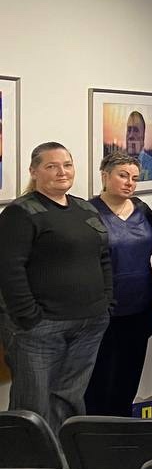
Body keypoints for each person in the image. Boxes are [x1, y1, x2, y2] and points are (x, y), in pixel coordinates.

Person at [0, 142, 111, 432]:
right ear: (34, 171)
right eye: (52, 166)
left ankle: (63, 457)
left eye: (67, 165)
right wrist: (29, 317)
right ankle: (28, 461)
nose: (62, 172)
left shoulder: (85, 208)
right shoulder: (20, 213)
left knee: (69, 399)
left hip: (89, 324)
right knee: (33, 406)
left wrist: (105, 302)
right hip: (40, 328)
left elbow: (103, 256)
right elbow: (9, 270)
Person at [85, 152, 152, 417]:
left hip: (139, 308)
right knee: (100, 380)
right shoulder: (88, 212)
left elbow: (150, 249)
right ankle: (95, 432)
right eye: (123, 176)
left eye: (135, 178)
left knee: (129, 377)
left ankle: (124, 429)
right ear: (105, 175)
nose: (129, 183)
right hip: (102, 311)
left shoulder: (143, 210)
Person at [124, 110, 152, 180]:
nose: (130, 136)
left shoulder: (150, 164)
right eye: (129, 130)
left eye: (136, 130)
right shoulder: (117, 162)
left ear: (143, 137)